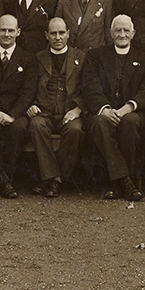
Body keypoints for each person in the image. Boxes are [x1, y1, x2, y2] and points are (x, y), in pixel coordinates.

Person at [81, 15, 145, 201]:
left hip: (131, 111)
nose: (122, 34)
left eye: (126, 30)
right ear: (111, 33)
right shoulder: (96, 56)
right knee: (99, 123)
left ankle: (115, 183)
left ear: (133, 33)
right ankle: (126, 181)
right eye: (118, 30)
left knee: (130, 122)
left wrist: (127, 108)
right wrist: (104, 109)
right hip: (103, 110)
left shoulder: (144, 58)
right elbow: (90, 85)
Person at [0, 14, 38, 200]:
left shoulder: (28, 58)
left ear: (18, 32)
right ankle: (5, 181)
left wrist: (11, 115)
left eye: (11, 30)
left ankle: (0, 180)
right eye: (3, 30)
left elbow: (28, 92)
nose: (6, 34)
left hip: (15, 111)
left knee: (19, 128)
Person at [28, 18, 87, 197]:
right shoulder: (37, 58)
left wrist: (78, 109)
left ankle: (52, 179)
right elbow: (27, 86)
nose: (58, 37)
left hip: (69, 111)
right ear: (47, 36)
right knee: (36, 125)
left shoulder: (81, 58)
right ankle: (53, 179)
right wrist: (30, 104)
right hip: (44, 111)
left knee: (75, 130)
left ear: (68, 34)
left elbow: (89, 88)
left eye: (62, 33)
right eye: (53, 33)